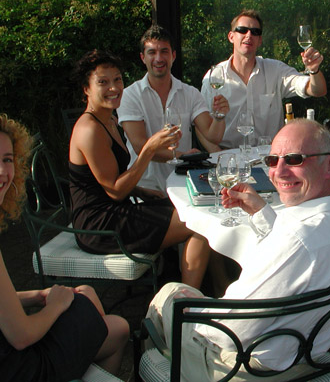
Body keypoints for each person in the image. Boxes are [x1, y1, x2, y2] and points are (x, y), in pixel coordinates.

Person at [146, 119, 330, 381]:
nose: (279, 172)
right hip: (306, 358)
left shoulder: (296, 240)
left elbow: (228, 331)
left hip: (243, 371)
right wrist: (261, 212)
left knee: (169, 295)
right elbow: (292, 258)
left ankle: (157, 366)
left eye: (295, 159)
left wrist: (196, 311)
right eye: (272, 161)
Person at [0, 113, 129, 380]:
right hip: (20, 368)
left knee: (112, 322)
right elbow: (22, 336)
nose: (2, 171)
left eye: (7, 159)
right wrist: (55, 306)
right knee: (106, 317)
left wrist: (36, 295)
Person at [69, 49, 212, 289]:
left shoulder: (109, 120)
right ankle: (187, 302)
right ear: (86, 89)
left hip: (116, 210)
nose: (114, 88)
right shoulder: (89, 129)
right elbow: (115, 191)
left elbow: (104, 180)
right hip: (99, 226)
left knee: (198, 208)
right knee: (199, 222)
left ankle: (210, 289)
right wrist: (148, 149)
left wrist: (141, 192)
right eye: (103, 82)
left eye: (117, 80)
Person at [117, 25, 229, 193]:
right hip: (145, 189)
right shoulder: (130, 95)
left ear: (173, 56)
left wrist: (220, 116)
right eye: (152, 52)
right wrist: (184, 157)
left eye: (164, 51)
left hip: (184, 185)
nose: (158, 58)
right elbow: (140, 146)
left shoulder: (190, 93)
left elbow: (213, 136)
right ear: (142, 57)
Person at [199, 9, 327, 149]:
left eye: (255, 32)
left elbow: (317, 90)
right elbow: (200, 126)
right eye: (242, 30)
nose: (249, 35)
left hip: (269, 156)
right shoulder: (214, 77)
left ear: (260, 40)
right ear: (231, 36)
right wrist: (218, 155)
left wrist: (314, 70)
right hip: (229, 156)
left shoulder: (275, 70)